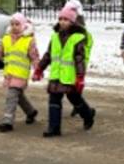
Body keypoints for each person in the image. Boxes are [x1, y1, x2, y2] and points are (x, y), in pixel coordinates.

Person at [34, 7, 95, 137]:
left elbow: (79, 59)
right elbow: (48, 55)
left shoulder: (77, 39)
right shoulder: (55, 37)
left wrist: (80, 77)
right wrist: (39, 68)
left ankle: (88, 114)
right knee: (54, 100)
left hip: (69, 77)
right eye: (60, 19)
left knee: (75, 99)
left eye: (66, 19)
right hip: (56, 75)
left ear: (72, 22)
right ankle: (54, 127)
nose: (62, 22)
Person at [0, 13, 40, 132]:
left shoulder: (28, 40)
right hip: (10, 74)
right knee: (18, 96)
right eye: (12, 24)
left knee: (11, 96)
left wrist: (38, 70)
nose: (14, 27)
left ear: (23, 25)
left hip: (21, 74)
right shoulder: (6, 39)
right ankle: (31, 112)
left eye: (17, 24)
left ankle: (7, 121)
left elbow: (35, 57)